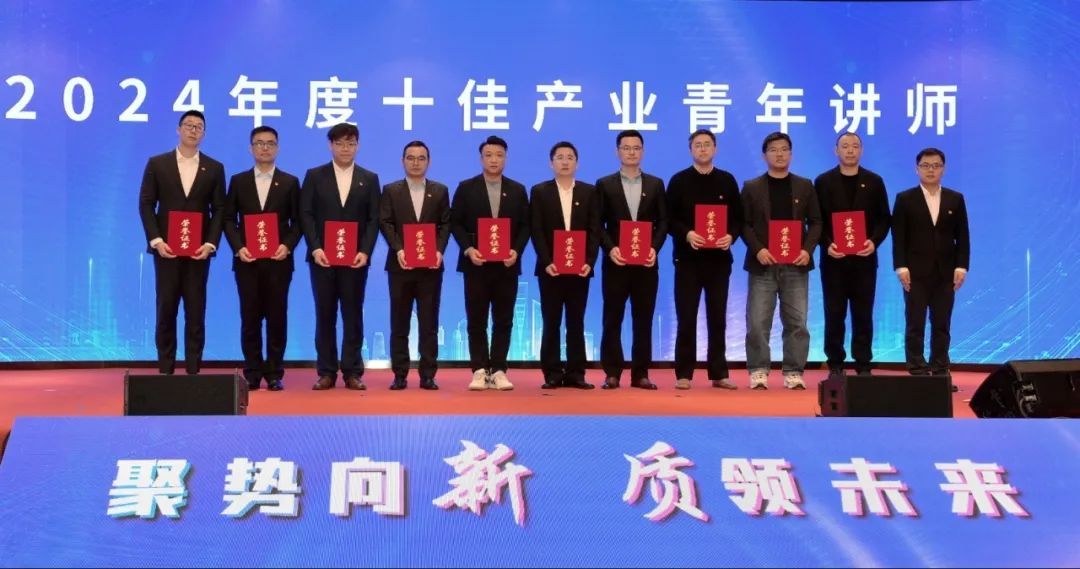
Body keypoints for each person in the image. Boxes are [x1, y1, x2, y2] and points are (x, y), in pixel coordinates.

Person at [137, 110, 226, 376]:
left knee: (196, 310)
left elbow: (219, 209)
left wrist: (210, 244)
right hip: (166, 250)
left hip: (198, 251)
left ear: (204, 133)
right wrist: (156, 240)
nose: (193, 130)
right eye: (188, 125)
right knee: (166, 308)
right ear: (178, 129)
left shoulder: (214, 167)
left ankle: (193, 370)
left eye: (199, 127)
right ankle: (165, 369)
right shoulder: (158, 163)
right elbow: (146, 203)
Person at [299, 123, 381, 391]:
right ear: (330, 145)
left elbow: (374, 219)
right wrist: (315, 248)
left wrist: (365, 251)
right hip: (322, 259)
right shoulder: (314, 176)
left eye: (351, 143)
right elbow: (306, 214)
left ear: (358, 146)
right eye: (340, 143)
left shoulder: (369, 178)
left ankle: (352, 372)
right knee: (325, 315)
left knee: (353, 315)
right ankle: (326, 371)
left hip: (355, 260)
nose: (345, 148)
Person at [741, 132, 822, 390]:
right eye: (774, 149)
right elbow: (743, 224)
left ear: (791, 153)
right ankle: (758, 370)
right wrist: (758, 250)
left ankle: (794, 371)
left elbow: (816, 222)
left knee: (797, 322)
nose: (779, 154)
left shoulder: (804, 186)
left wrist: (807, 250)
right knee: (757, 322)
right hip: (763, 263)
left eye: (784, 149)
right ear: (764, 155)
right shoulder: (752, 187)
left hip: (796, 264)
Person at [223, 126, 301, 391]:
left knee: (277, 318)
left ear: (277, 148)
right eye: (259, 143)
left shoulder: (290, 182)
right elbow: (228, 219)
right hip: (247, 262)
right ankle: (253, 372)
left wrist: (287, 246)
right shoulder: (239, 181)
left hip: (279, 262)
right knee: (250, 318)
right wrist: (238, 247)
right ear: (251, 148)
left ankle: (275, 373)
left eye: (270, 143)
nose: (265, 148)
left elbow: (298, 221)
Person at [450, 136, 530, 391]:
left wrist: (516, 251)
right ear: (481, 158)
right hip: (476, 264)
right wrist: (468, 249)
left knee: (504, 320)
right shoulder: (466, 188)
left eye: (499, 155)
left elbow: (526, 225)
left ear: (505, 158)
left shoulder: (517, 190)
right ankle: (479, 370)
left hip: (506, 265)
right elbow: (455, 223)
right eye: (489, 155)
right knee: (476, 319)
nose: (494, 160)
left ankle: (499, 370)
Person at [666, 129, 743, 390]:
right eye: (697, 145)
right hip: (687, 261)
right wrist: (687, 234)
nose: (702, 149)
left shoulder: (727, 180)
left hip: (719, 261)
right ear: (690, 150)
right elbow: (669, 219)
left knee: (717, 317)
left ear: (715, 149)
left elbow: (738, 218)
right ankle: (683, 373)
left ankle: (719, 373)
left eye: (707, 144)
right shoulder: (678, 181)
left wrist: (731, 235)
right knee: (686, 317)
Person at [813, 132, 891, 378]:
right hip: (833, 260)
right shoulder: (823, 181)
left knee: (863, 313)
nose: (850, 150)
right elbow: (815, 220)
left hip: (864, 260)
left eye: (855, 146)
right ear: (836, 150)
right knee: (834, 312)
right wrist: (827, 244)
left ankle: (863, 362)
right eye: (845, 146)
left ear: (861, 151)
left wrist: (873, 241)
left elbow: (884, 219)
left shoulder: (874, 181)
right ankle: (835, 363)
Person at [595, 130, 668, 390]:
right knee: (612, 318)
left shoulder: (656, 184)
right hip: (616, 263)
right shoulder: (605, 184)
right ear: (618, 152)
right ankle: (612, 372)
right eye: (626, 148)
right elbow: (597, 224)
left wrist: (654, 248)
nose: (631, 152)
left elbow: (663, 222)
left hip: (646, 264)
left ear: (643, 152)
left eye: (636, 148)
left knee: (643, 318)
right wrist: (610, 248)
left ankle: (640, 373)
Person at [892, 147, 969, 390]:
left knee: (942, 324)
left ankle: (940, 371)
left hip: (945, 272)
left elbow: (963, 236)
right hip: (914, 272)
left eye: (936, 165)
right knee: (915, 323)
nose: (931, 170)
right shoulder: (905, 199)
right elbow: (898, 237)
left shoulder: (955, 199)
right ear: (917, 169)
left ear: (943, 169)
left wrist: (962, 266)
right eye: (925, 165)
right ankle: (917, 370)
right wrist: (900, 267)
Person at [379, 141, 451, 391]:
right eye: (411, 158)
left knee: (429, 323)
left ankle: (428, 375)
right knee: (399, 323)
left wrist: (439, 251)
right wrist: (399, 249)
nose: (416, 163)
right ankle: (399, 374)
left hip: (430, 269)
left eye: (421, 158)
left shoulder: (440, 191)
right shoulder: (391, 190)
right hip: (400, 267)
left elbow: (446, 224)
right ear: (402, 161)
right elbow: (385, 222)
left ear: (428, 162)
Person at [530, 141, 600, 390]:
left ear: (577, 163)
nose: (565, 161)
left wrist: (589, 262)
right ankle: (551, 373)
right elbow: (536, 229)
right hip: (551, 269)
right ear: (551, 163)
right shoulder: (540, 191)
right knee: (551, 322)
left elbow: (594, 230)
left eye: (570, 157)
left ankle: (576, 373)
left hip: (579, 269)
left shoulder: (589, 192)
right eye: (560, 157)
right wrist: (546, 261)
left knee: (576, 322)